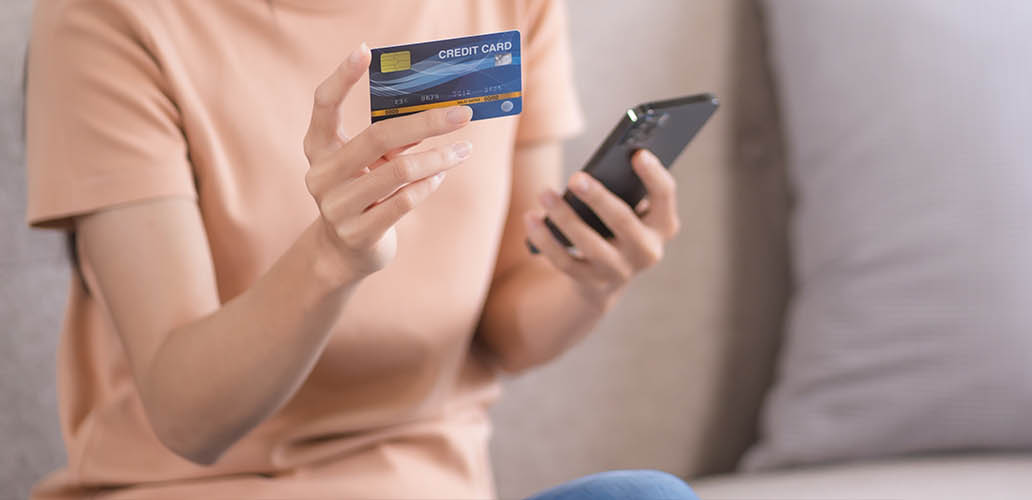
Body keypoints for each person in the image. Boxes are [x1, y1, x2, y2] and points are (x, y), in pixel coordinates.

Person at [24, 1, 698, 499]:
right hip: (196, 489)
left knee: (646, 498)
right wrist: (331, 260)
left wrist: (590, 278)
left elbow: (506, 328)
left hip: (431, 485)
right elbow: (189, 420)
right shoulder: (108, 17)